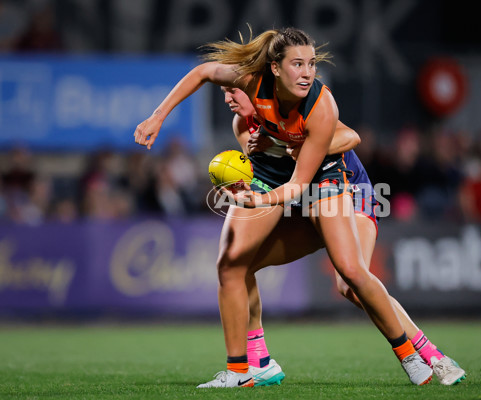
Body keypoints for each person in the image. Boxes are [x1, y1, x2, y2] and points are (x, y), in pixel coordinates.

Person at [135, 27, 433, 388]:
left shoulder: (322, 106)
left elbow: (304, 180)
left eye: (310, 64)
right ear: (274, 69)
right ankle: (240, 371)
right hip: (281, 187)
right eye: (297, 64)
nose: (307, 72)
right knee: (231, 264)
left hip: (327, 181)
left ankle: (414, 354)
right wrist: (158, 116)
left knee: (351, 273)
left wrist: (262, 196)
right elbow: (202, 72)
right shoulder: (249, 94)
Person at [221, 85, 466, 386]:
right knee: (241, 262)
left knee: (349, 281)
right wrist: (245, 189)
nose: (228, 99)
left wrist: (290, 146)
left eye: (233, 91)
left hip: (350, 191)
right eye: (224, 91)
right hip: (305, 201)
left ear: (252, 89)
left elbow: (350, 137)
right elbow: (272, 179)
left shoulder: (292, 108)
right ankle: (260, 362)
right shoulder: (244, 127)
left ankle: (433, 356)